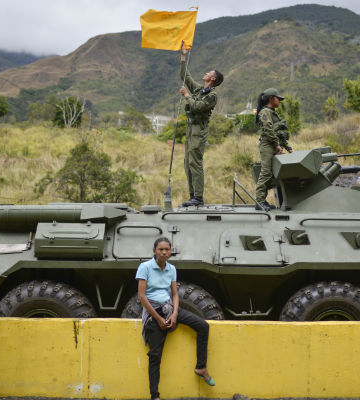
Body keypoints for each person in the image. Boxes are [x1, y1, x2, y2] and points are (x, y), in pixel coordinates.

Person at [136, 237, 214, 400]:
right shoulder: (145, 267)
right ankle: (155, 396)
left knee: (203, 326)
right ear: (154, 251)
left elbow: (174, 294)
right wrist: (157, 318)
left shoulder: (171, 269)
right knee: (155, 355)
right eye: (160, 249)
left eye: (167, 249)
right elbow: (142, 297)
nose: (164, 252)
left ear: (171, 251)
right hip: (153, 311)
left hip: (169, 308)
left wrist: (175, 314)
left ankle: (201, 367)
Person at [179, 41, 224, 207]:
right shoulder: (200, 90)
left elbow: (198, 107)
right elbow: (186, 77)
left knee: (195, 162)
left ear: (212, 79)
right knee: (187, 163)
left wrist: (186, 96)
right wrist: (183, 57)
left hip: (199, 129)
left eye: (208, 72)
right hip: (191, 128)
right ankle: (192, 196)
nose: (205, 73)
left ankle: (198, 197)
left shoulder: (212, 95)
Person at [254, 88, 292, 211]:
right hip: (268, 145)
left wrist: (287, 147)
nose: (279, 101)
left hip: (275, 146)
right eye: (278, 99)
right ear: (271, 99)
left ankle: (265, 201)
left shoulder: (272, 112)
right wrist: (276, 145)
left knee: (273, 173)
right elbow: (268, 129)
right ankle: (260, 202)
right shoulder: (265, 112)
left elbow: (279, 132)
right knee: (266, 172)